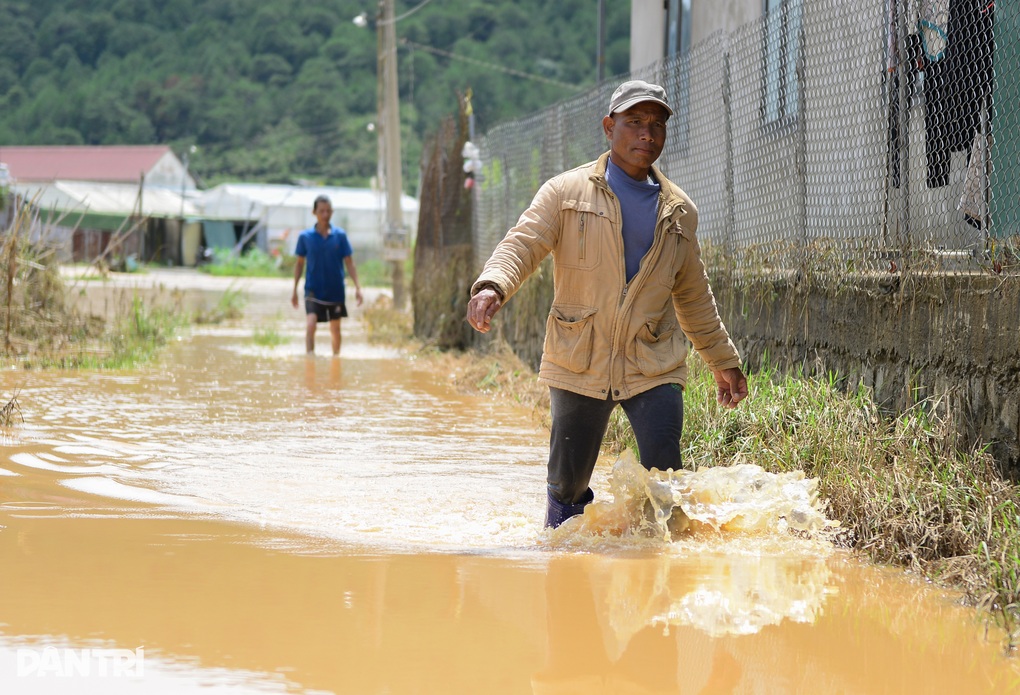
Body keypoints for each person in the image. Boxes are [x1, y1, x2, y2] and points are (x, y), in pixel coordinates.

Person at [466, 80, 748, 529]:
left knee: (664, 478)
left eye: (657, 125)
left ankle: (659, 573)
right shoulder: (565, 193)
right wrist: (493, 285)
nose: (646, 135)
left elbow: (693, 294)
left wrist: (722, 361)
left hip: (652, 359)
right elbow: (524, 243)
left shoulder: (679, 211)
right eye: (634, 122)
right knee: (568, 484)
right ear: (608, 126)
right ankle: (562, 563)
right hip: (582, 356)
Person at [292, 195, 363, 356]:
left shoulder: (340, 236)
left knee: (335, 328)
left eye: (328, 211)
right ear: (314, 212)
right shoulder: (305, 237)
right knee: (311, 324)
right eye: (321, 211)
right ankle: (310, 359)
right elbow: (299, 264)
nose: (325, 215)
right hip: (313, 290)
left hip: (335, 290)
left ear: (332, 212)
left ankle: (336, 358)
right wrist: (294, 290)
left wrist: (358, 288)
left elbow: (350, 263)